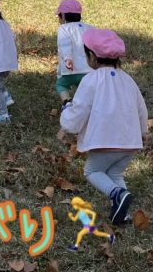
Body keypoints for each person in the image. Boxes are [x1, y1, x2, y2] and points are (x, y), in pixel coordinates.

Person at [59, 29, 148, 226]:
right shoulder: (128, 80)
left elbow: (80, 110)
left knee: (92, 171)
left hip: (104, 140)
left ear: (92, 56)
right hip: (130, 141)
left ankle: (116, 194)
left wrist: (67, 119)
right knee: (115, 174)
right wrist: (143, 131)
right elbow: (141, 108)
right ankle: (122, 213)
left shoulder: (91, 80)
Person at [55, 0, 94, 104]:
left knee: (61, 85)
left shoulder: (64, 28)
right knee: (84, 88)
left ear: (63, 16)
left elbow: (64, 45)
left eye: (59, 16)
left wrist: (68, 59)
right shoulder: (90, 28)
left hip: (71, 70)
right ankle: (86, 105)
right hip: (89, 70)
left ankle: (67, 103)